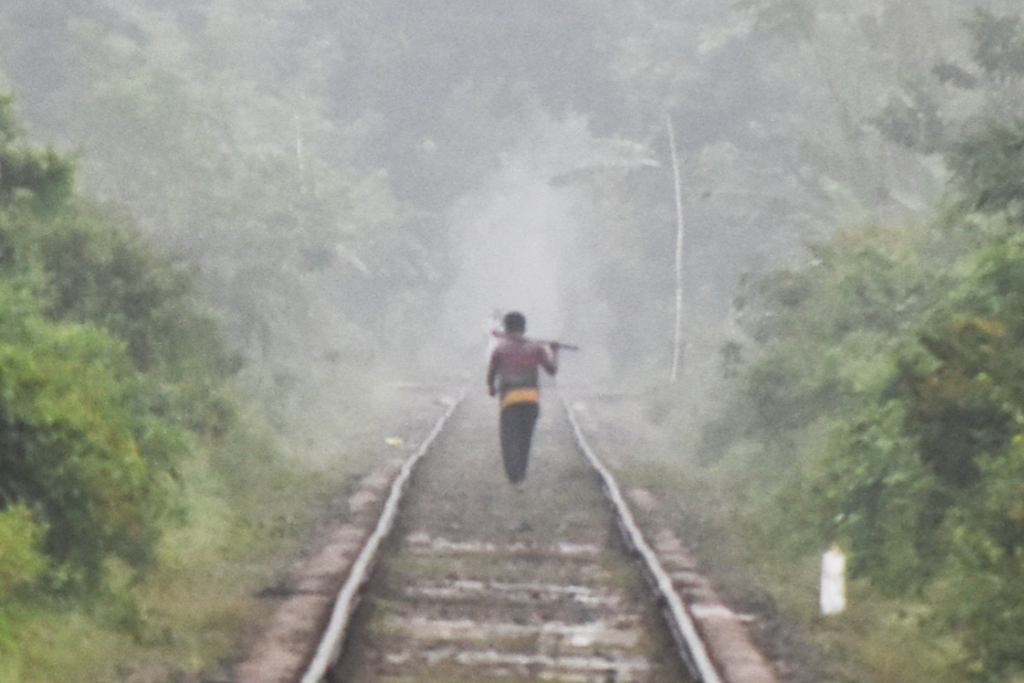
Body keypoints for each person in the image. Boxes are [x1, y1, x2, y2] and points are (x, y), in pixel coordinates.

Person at [486, 311, 559, 484]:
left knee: (509, 438)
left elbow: (491, 373)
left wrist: (491, 387)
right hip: (531, 399)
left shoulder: (500, 348)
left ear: (505, 328)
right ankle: (522, 474)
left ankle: (514, 476)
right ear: (524, 328)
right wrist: (554, 352)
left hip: (509, 400)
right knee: (525, 437)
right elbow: (552, 370)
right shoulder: (536, 348)